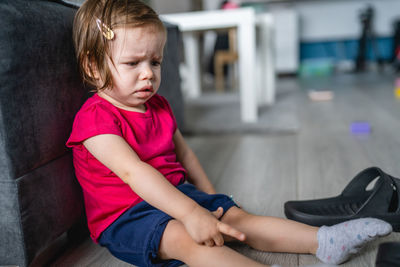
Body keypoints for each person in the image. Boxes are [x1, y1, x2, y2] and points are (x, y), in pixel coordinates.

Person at [67, 1, 392, 266]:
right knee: (184, 238)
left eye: (155, 61)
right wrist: (192, 214)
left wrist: (210, 201)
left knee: (238, 219)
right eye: (133, 63)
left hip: (175, 194)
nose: (147, 74)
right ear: (93, 66)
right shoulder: (94, 120)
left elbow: (184, 155)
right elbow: (134, 173)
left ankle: (323, 241)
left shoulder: (160, 106)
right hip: (127, 216)